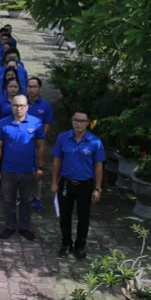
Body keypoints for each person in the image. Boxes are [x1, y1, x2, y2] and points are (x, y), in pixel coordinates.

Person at [52, 108, 106, 259]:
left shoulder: (95, 142)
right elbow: (57, 162)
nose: (78, 123)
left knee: (84, 217)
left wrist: (97, 188)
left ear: (88, 123)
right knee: (65, 216)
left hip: (85, 185)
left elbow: (98, 166)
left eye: (82, 121)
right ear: (71, 121)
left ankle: (80, 246)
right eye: (76, 120)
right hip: (66, 183)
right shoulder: (63, 138)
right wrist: (54, 183)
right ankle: (66, 243)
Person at [0, 94, 46, 240]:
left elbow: (41, 146)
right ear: (11, 106)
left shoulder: (36, 123)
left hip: (28, 170)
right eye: (16, 105)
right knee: (8, 200)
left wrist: (40, 167)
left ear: (27, 107)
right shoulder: (3, 123)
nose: (19, 108)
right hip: (8, 170)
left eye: (22, 105)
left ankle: (24, 227)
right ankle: (10, 226)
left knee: (26, 200)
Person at [27, 77, 54, 213]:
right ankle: (21, 196)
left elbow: (47, 124)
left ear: (40, 88)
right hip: (23, 143)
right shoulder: (22, 103)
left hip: (38, 143)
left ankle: (36, 197)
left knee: (38, 170)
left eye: (34, 86)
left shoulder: (45, 105)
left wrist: (39, 137)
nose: (32, 89)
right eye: (29, 86)